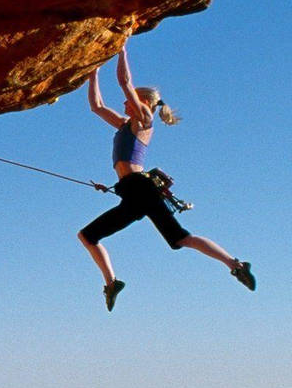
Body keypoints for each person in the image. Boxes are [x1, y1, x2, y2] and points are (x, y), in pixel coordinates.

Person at [77, 44, 254, 310]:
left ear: (144, 102)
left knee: (181, 238)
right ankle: (112, 283)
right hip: (131, 192)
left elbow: (126, 83)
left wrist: (121, 49)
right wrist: (93, 72)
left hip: (141, 189)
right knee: (88, 236)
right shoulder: (125, 124)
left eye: (131, 100)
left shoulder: (144, 120)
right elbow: (96, 106)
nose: (125, 103)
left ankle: (235, 264)